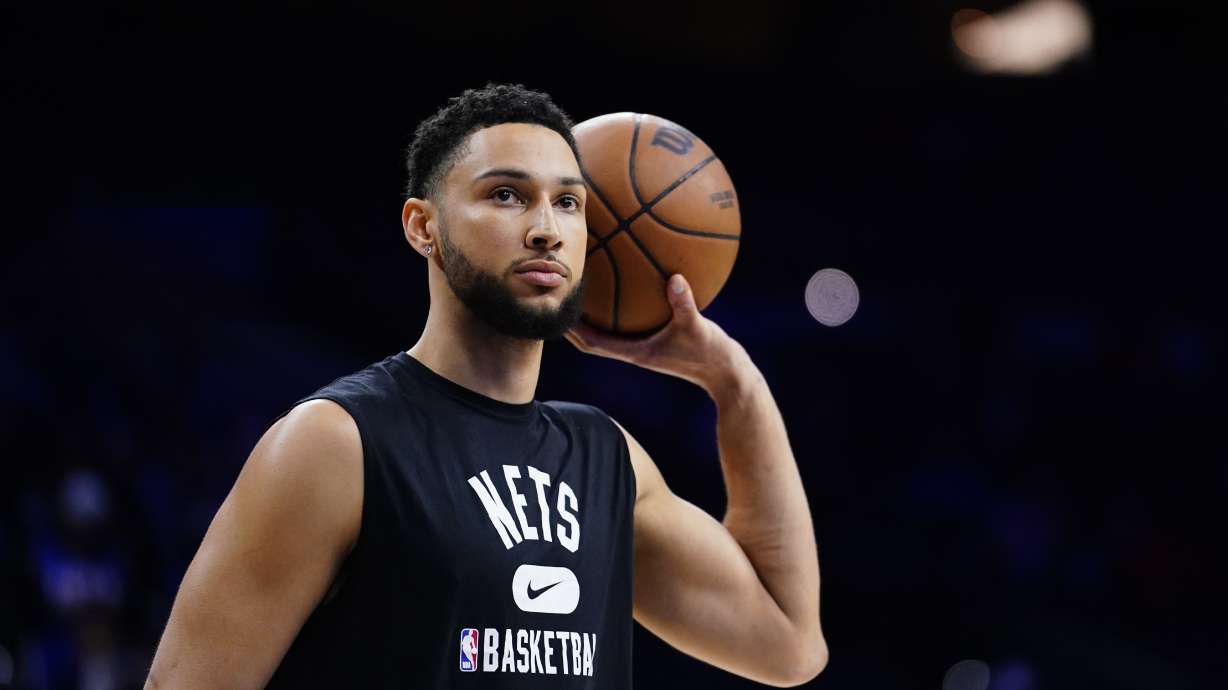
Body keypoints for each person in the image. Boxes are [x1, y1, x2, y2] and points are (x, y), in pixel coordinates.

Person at [144, 83, 827, 689]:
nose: (546, 229)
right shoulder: (335, 444)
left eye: (569, 203)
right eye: (506, 195)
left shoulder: (607, 459)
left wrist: (732, 381)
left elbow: (789, 644)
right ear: (423, 227)